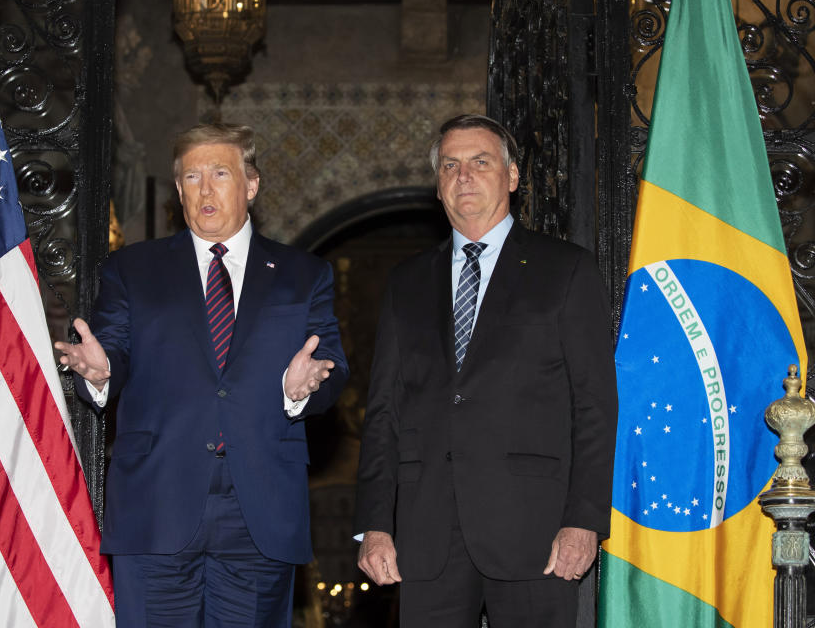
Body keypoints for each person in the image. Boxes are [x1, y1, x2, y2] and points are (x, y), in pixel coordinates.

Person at [54, 122, 348, 627]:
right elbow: (112, 354)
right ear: (178, 189)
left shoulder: (304, 274)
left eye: (220, 173)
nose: (206, 189)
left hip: (260, 512)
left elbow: (333, 367)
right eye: (192, 177)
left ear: (251, 184)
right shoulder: (131, 269)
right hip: (156, 504)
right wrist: (100, 374)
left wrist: (300, 390)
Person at [353, 114, 617, 627]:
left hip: (535, 531)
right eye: (449, 166)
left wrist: (584, 520)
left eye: (479, 162)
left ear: (513, 176)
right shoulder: (406, 282)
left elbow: (595, 405)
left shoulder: (565, 269)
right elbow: (383, 410)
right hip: (426, 534)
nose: (463, 176)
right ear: (438, 184)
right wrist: (374, 524)